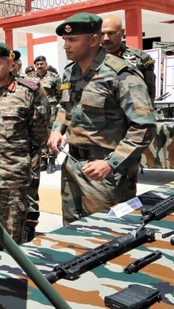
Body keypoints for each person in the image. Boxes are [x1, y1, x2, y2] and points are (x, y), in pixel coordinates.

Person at [47, 13, 156, 226]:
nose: (65, 46)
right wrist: (57, 129)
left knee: (107, 237)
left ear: (93, 41)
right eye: (65, 40)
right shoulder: (70, 72)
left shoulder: (120, 74)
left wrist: (111, 163)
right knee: (72, 234)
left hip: (105, 173)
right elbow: (65, 106)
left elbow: (144, 126)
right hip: (73, 166)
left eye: (72, 40)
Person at [0, 42, 49, 255]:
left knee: (12, 237)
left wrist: (26, 167)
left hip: (13, 178)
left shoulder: (28, 92)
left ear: (9, 63)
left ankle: (12, 281)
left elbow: (39, 134)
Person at [101, 14, 157, 198]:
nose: (106, 38)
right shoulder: (91, 59)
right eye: (102, 34)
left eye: (111, 33)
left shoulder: (140, 59)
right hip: (99, 132)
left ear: (122, 33)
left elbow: (148, 96)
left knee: (125, 181)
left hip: (127, 131)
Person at [33, 55, 61, 174]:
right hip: (38, 109)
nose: (40, 66)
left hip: (52, 108)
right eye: (37, 64)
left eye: (42, 64)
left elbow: (60, 93)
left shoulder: (54, 77)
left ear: (46, 64)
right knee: (41, 132)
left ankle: (52, 159)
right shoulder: (31, 78)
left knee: (50, 132)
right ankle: (43, 158)